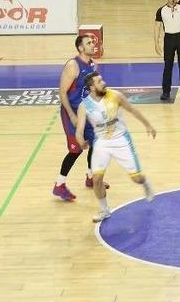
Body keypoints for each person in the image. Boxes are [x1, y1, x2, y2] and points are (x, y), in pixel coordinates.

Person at [75, 72, 157, 222]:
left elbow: (133, 110)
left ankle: (145, 183)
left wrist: (148, 125)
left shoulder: (115, 95)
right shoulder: (84, 106)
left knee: (137, 178)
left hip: (121, 140)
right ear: (92, 87)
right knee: (97, 179)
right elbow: (79, 130)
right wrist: (81, 141)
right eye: (99, 81)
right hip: (102, 143)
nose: (104, 82)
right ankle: (105, 210)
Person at [52, 35, 99, 201]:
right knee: (75, 150)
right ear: (80, 48)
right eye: (89, 43)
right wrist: (72, 116)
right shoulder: (73, 66)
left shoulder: (92, 64)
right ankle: (59, 185)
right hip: (71, 112)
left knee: (96, 142)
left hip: (86, 111)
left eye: (93, 42)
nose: (93, 44)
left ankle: (91, 176)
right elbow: (62, 92)